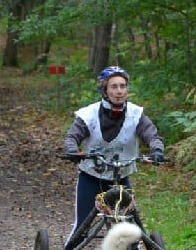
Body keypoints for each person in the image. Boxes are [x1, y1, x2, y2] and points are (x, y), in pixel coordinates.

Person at [63, 65, 165, 237]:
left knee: (130, 225)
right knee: (82, 226)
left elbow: (152, 135)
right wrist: (72, 150)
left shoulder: (136, 114)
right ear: (104, 90)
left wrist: (157, 151)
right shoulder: (88, 115)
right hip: (90, 178)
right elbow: (72, 137)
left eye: (123, 86)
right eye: (114, 86)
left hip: (120, 178)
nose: (119, 91)